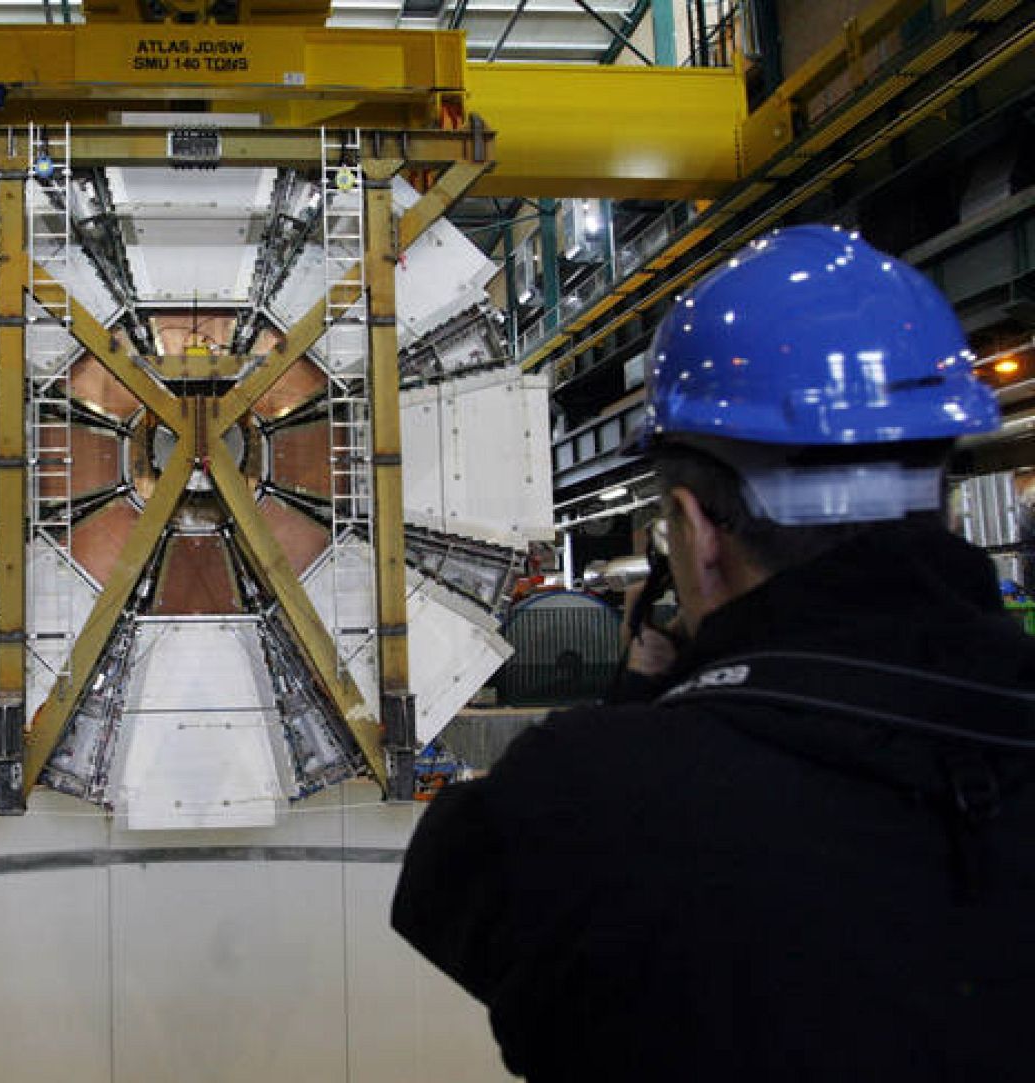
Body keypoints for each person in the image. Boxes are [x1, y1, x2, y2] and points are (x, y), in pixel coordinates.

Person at [392, 225, 1035, 1081]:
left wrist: (652, 690)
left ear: (695, 533)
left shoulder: (584, 799)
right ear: (944, 502)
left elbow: (445, 892)